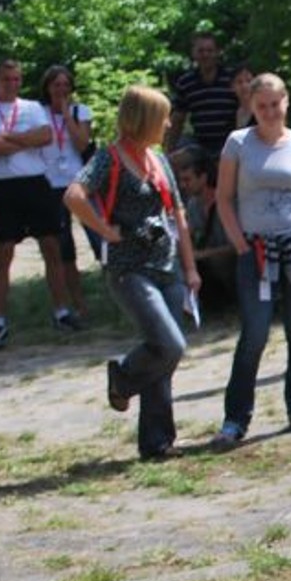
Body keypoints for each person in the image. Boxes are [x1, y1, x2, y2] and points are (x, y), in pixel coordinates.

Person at [64, 86, 199, 461]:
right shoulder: (109, 159)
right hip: (129, 269)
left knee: (163, 355)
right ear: (145, 119)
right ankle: (122, 377)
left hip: (167, 265)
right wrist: (105, 231)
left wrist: (189, 267)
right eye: (163, 117)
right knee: (170, 345)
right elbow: (74, 195)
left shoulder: (159, 159)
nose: (169, 123)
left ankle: (157, 443)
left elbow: (179, 217)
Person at [212, 74, 291, 446]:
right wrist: (240, 244)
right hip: (256, 250)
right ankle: (235, 419)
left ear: (285, 102)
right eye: (261, 106)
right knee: (255, 332)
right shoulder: (238, 143)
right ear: (251, 107)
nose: (268, 112)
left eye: (274, 104)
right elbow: (223, 198)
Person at [0, 59, 77, 347]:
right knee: (3, 254)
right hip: (4, 188)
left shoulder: (31, 108)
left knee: (52, 248)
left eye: (17, 79)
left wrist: (7, 137)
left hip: (36, 183)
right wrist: (23, 141)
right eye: (7, 79)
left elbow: (45, 136)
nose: (12, 84)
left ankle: (62, 310)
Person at [40, 64, 94, 325]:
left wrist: (66, 115)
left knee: (98, 238)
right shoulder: (37, 113)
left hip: (78, 184)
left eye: (65, 85)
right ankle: (73, 303)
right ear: (47, 88)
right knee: (64, 248)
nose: (60, 90)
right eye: (55, 85)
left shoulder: (79, 111)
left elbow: (82, 143)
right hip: (49, 186)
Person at [170, 147, 233, 310]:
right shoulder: (193, 204)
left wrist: (201, 255)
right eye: (181, 181)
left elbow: (238, 247)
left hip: (232, 263)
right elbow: (186, 236)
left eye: (187, 180)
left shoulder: (229, 203)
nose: (183, 186)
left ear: (203, 177)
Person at [166, 32, 241, 159]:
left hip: (229, 142)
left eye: (209, 50)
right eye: (200, 51)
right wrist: (169, 151)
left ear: (217, 52)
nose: (205, 55)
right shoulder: (186, 82)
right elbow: (178, 118)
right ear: (193, 53)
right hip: (199, 143)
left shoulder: (231, 78)